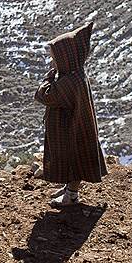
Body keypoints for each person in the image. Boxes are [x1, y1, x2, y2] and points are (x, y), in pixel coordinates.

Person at [34, 22, 106, 207]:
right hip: (74, 128)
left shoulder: (69, 81)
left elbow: (44, 96)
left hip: (72, 132)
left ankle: (71, 195)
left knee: (75, 160)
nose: (53, 63)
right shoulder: (75, 75)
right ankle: (69, 189)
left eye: (55, 59)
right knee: (73, 159)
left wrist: (48, 78)